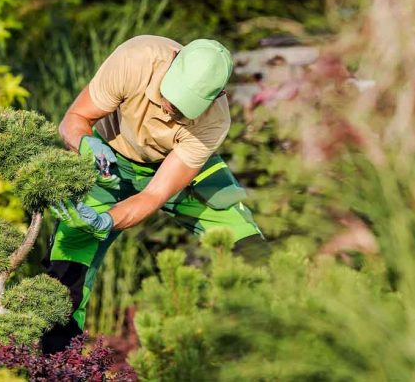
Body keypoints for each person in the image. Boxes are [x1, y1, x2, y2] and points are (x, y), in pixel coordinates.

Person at [41, 35, 267, 353]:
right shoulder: (136, 59)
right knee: (68, 259)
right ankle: (57, 363)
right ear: (173, 60)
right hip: (108, 161)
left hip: (177, 170)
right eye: (171, 96)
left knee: (252, 250)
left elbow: (153, 195)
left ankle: (281, 344)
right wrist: (85, 143)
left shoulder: (214, 121)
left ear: (218, 96)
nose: (169, 109)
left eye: (184, 107)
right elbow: (74, 119)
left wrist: (108, 220)